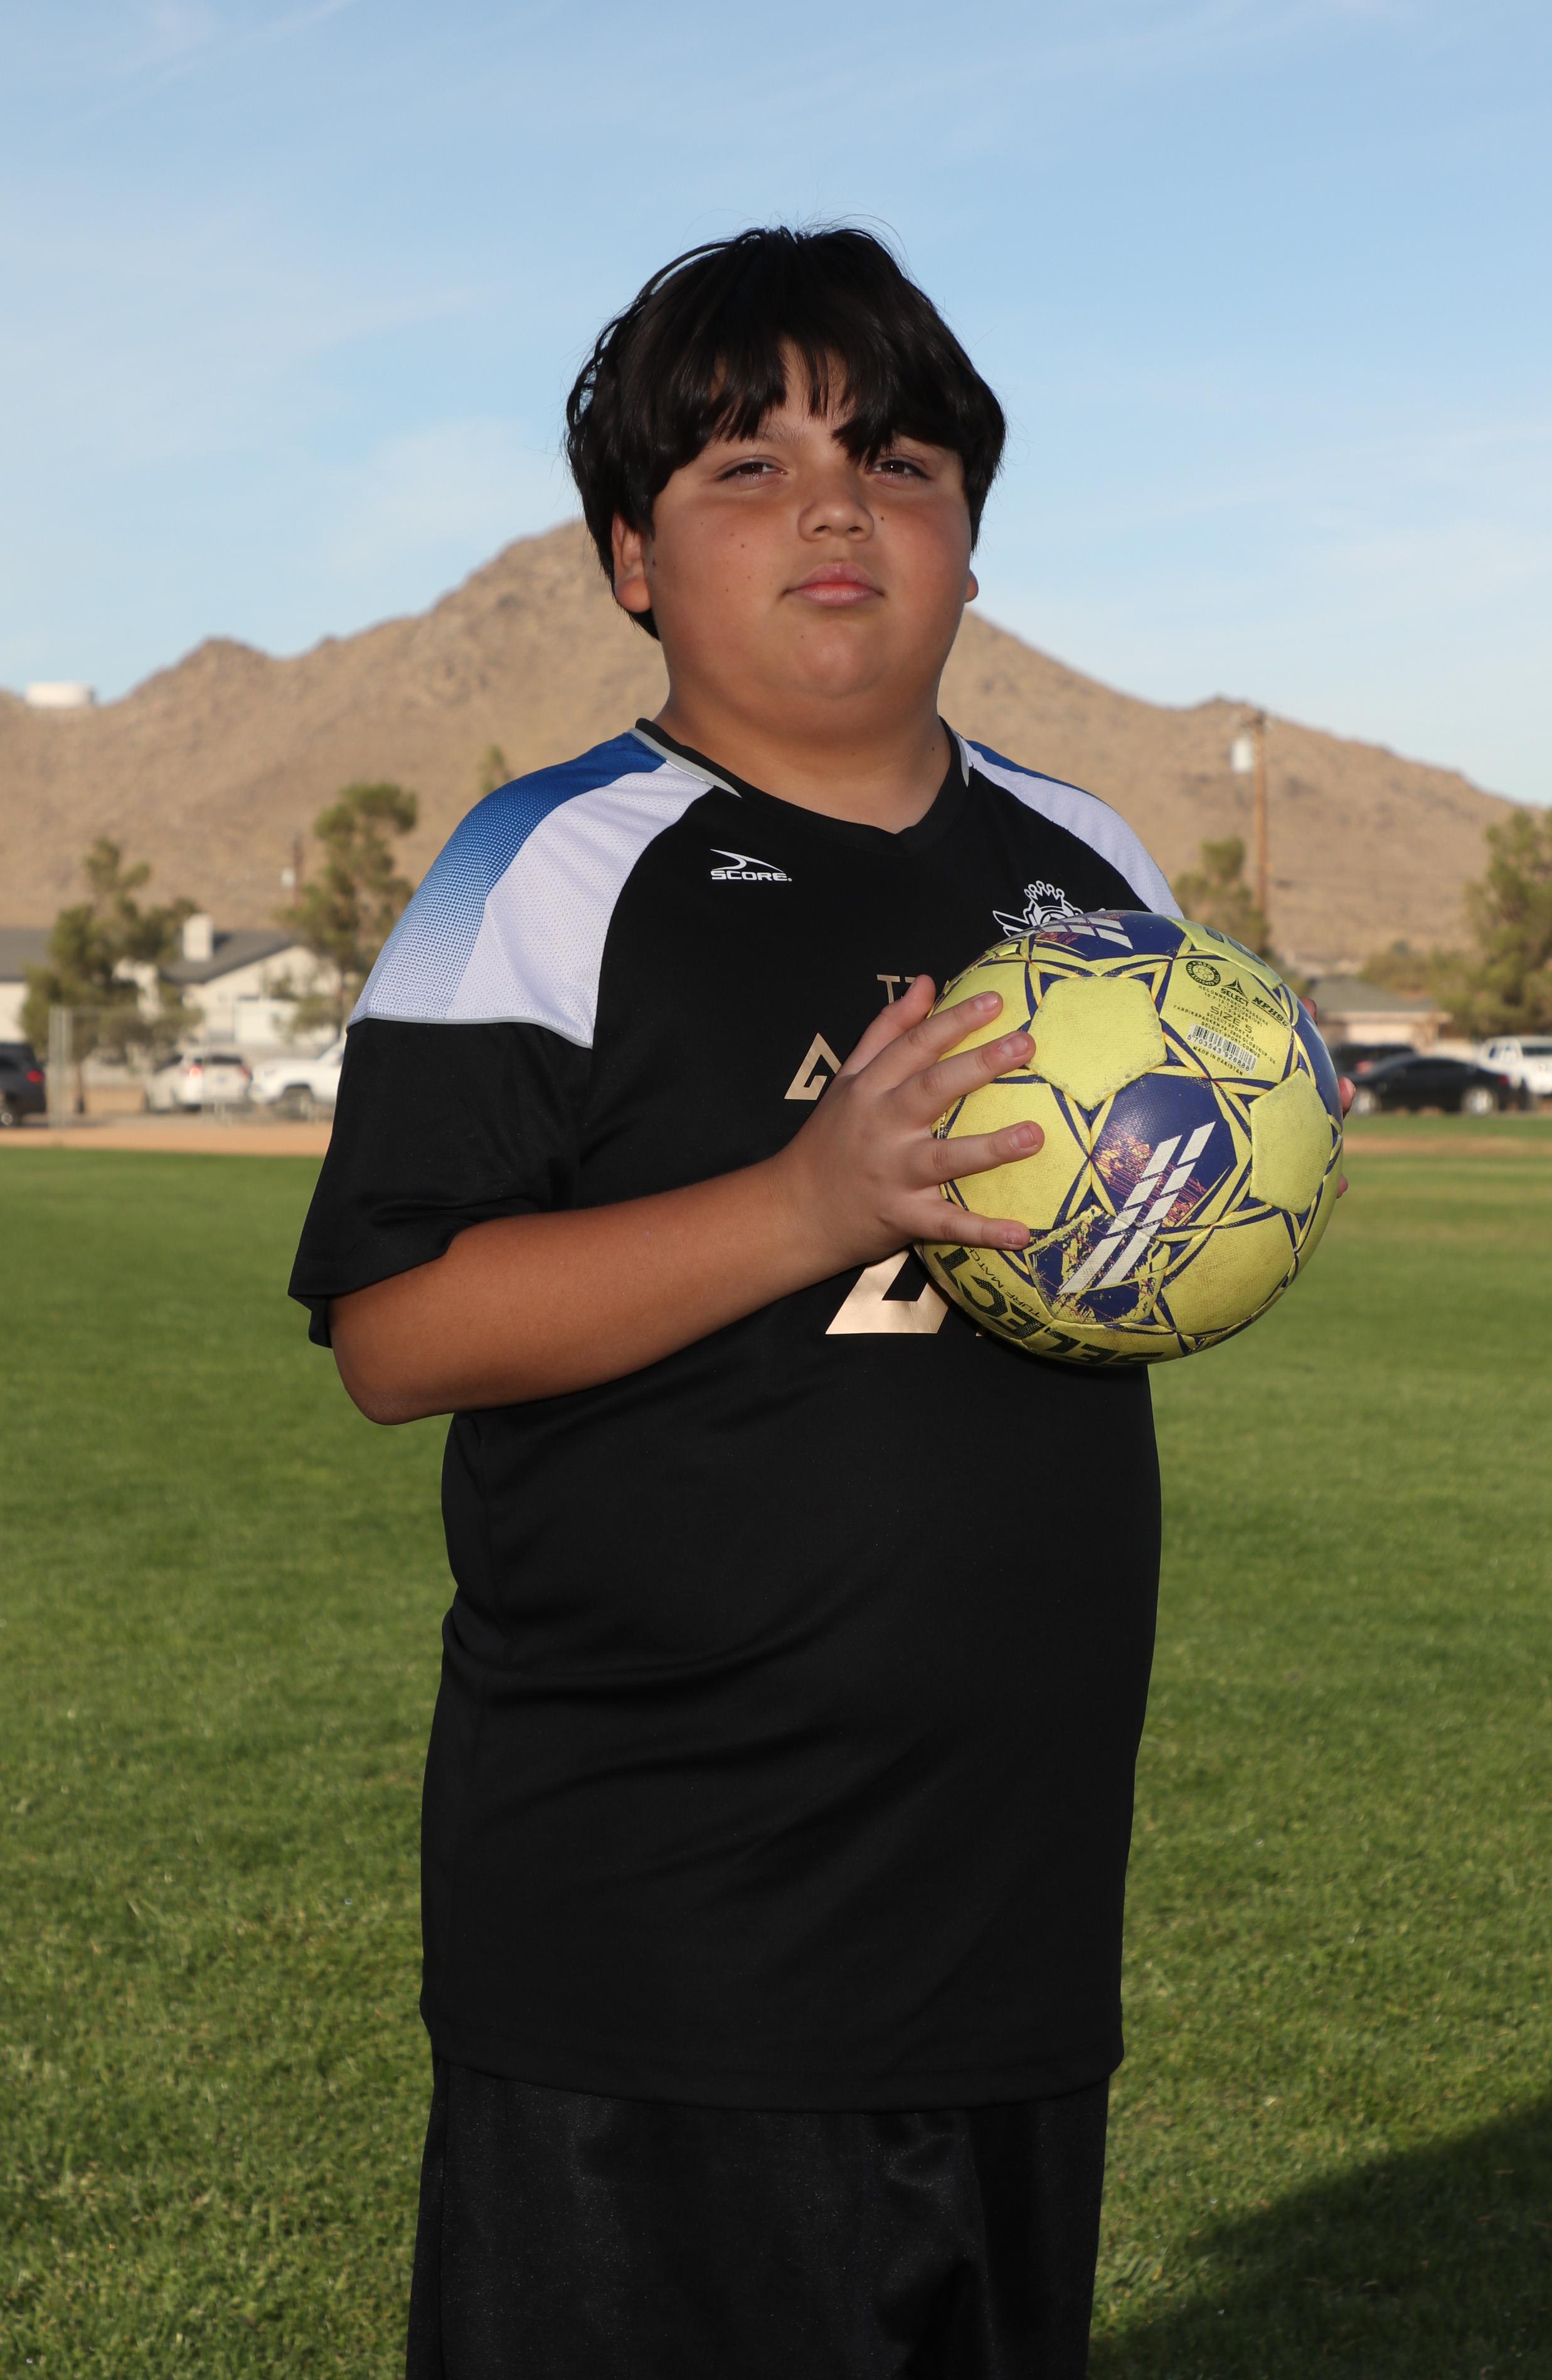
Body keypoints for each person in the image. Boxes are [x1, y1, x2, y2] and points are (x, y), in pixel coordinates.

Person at [290, 225, 1181, 2380]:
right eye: (749, 469)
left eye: (897, 462)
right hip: (656, 1953)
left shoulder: (1095, 875)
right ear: (631, 558)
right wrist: (806, 1202)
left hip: (1007, 1931)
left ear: (971, 537)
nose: (837, 510)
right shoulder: (544, 866)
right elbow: (397, 1332)